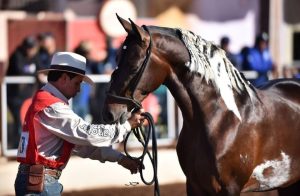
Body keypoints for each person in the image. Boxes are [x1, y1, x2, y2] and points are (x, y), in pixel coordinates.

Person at [14, 52, 145, 195]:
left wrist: (120, 158)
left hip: (38, 181)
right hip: (40, 183)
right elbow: (87, 135)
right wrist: (126, 126)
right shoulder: (52, 106)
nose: (78, 89)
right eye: (77, 83)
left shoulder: (46, 101)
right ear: (64, 78)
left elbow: (83, 145)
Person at [6, 35, 41, 148]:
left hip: (28, 98)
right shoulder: (16, 55)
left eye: (32, 48)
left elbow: (40, 69)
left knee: (28, 123)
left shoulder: (35, 56)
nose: (30, 50)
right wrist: (35, 74)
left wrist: (37, 74)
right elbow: (19, 71)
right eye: (28, 47)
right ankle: (18, 148)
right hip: (15, 98)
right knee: (18, 123)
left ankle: (25, 148)